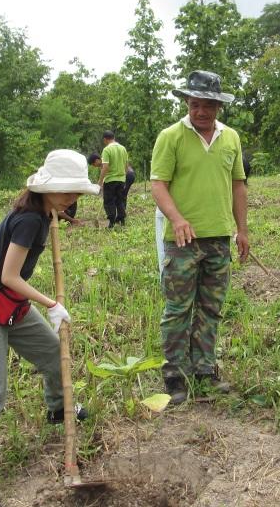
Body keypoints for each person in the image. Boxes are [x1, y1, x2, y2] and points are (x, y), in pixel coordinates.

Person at [0, 150, 99, 507]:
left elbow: (11, 282)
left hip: (9, 301)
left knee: (50, 352)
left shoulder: (45, 213)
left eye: (76, 192)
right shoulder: (29, 220)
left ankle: (58, 407)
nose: (73, 198)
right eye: (68, 191)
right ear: (47, 188)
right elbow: (8, 276)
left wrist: (62, 213)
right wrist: (52, 304)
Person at [151, 70, 249, 405]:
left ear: (219, 107)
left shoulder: (231, 138)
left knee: (211, 307)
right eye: (195, 105)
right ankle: (175, 374)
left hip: (219, 238)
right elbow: (158, 184)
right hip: (182, 241)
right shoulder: (171, 137)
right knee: (178, 307)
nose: (201, 111)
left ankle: (205, 368)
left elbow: (238, 185)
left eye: (208, 105)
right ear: (187, 103)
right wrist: (177, 219)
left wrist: (242, 229)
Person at [97, 131, 130, 228]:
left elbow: (105, 166)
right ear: (114, 137)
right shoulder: (123, 148)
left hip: (110, 179)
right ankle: (122, 220)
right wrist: (124, 176)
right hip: (121, 179)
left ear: (105, 139)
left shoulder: (107, 149)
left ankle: (111, 222)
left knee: (109, 201)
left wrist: (100, 180)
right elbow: (126, 165)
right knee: (119, 200)